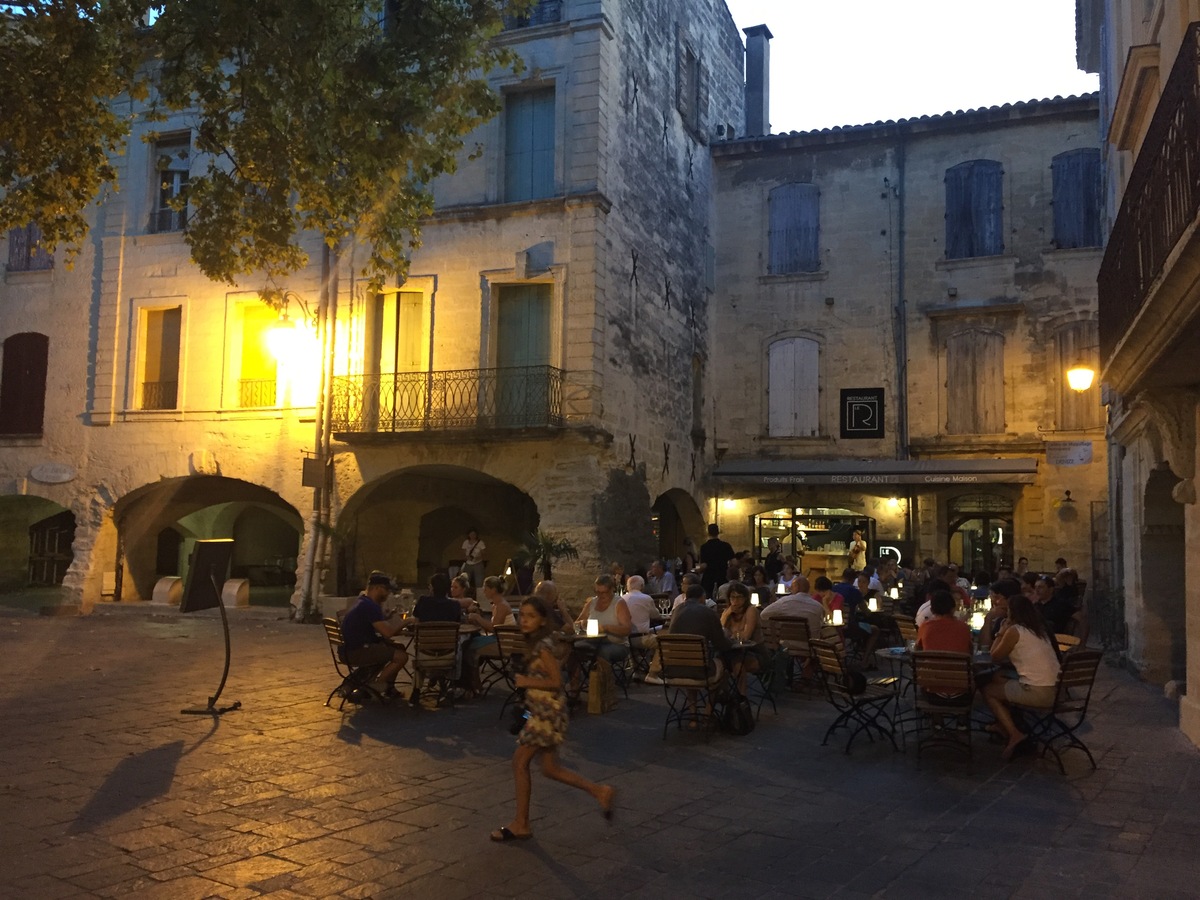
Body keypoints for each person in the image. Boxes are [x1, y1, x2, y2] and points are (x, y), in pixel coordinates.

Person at [489, 596, 615, 842]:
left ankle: (521, 823)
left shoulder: (543, 647)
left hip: (546, 714)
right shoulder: (536, 643)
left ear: (542, 620)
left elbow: (557, 681)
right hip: (543, 711)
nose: (525, 620)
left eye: (531, 616)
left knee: (519, 763)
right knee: (550, 768)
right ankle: (599, 791)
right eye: (522, 615)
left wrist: (527, 682)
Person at [981, 594, 1062, 760]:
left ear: (1012, 613)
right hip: (1056, 690)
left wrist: (1000, 633)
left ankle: (1014, 733)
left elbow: (994, 656)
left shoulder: (1014, 631)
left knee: (988, 690)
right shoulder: (1039, 630)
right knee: (998, 677)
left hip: (1037, 692)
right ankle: (1003, 724)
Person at [668, 583, 732, 725]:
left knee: (694, 663)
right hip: (699, 671)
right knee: (723, 667)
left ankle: (693, 716)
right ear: (703, 597)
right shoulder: (707, 612)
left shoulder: (676, 611)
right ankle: (708, 712)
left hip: (674, 668)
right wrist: (731, 640)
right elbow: (721, 643)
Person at [340, 571, 409, 695]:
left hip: (349, 649)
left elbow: (379, 627)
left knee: (398, 647)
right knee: (402, 657)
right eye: (386, 590)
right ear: (377, 588)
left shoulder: (363, 601)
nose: (388, 594)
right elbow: (387, 633)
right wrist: (407, 621)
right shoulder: (370, 606)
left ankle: (388, 687)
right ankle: (377, 686)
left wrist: (387, 619)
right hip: (357, 651)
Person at [462, 575, 515, 694]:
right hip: (500, 639)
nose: (484, 592)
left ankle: (474, 684)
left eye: (486, 589)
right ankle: (473, 683)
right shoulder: (497, 604)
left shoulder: (501, 605)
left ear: (493, 590)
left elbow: (494, 628)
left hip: (504, 644)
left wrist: (477, 618)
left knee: (468, 648)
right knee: (471, 642)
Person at [574, 574, 631, 666]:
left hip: (616, 644)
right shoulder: (592, 603)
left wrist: (606, 628)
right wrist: (582, 624)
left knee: (601, 652)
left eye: (603, 592)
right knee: (573, 649)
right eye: (597, 592)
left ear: (612, 589)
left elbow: (627, 629)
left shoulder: (619, 604)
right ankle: (574, 680)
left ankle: (603, 679)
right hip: (592, 641)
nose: (600, 595)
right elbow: (577, 623)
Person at [721, 582, 768, 695]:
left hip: (754, 652)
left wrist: (732, 635)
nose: (736, 601)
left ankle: (741, 699)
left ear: (745, 598)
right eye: (733, 597)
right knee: (719, 663)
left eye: (739, 597)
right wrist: (726, 615)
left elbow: (746, 636)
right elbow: (720, 632)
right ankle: (723, 696)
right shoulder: (727, 612)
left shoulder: (751, 610)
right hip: (734, 652)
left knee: (737, 664)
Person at [760, 575, 824, 638]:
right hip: (810, 645)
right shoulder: (818, 607)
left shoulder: (784, 602)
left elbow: (763, 614)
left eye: (792, 587)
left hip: (786, 644)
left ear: (796, 587)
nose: (790, 589)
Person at [699, 524, 735, 598]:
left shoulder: (704, 547)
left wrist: (698, 570)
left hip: (709, 578)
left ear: (708, 533)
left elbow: (704, 565)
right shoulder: (726, 546)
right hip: (722, 576)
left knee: (708, 598)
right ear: (718, 532)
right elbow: (734, 562)